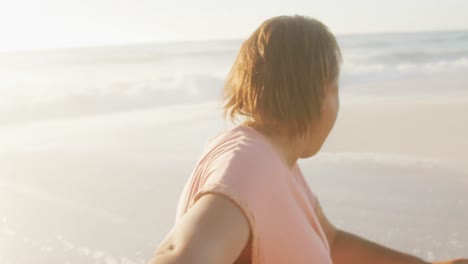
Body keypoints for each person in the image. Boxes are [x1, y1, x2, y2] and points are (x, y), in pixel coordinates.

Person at [149, 15, 467, 264]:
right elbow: (180, 255)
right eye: (336, 90)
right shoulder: (249, 164)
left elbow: (332, 242)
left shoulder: (273, 160)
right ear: (320, 93)